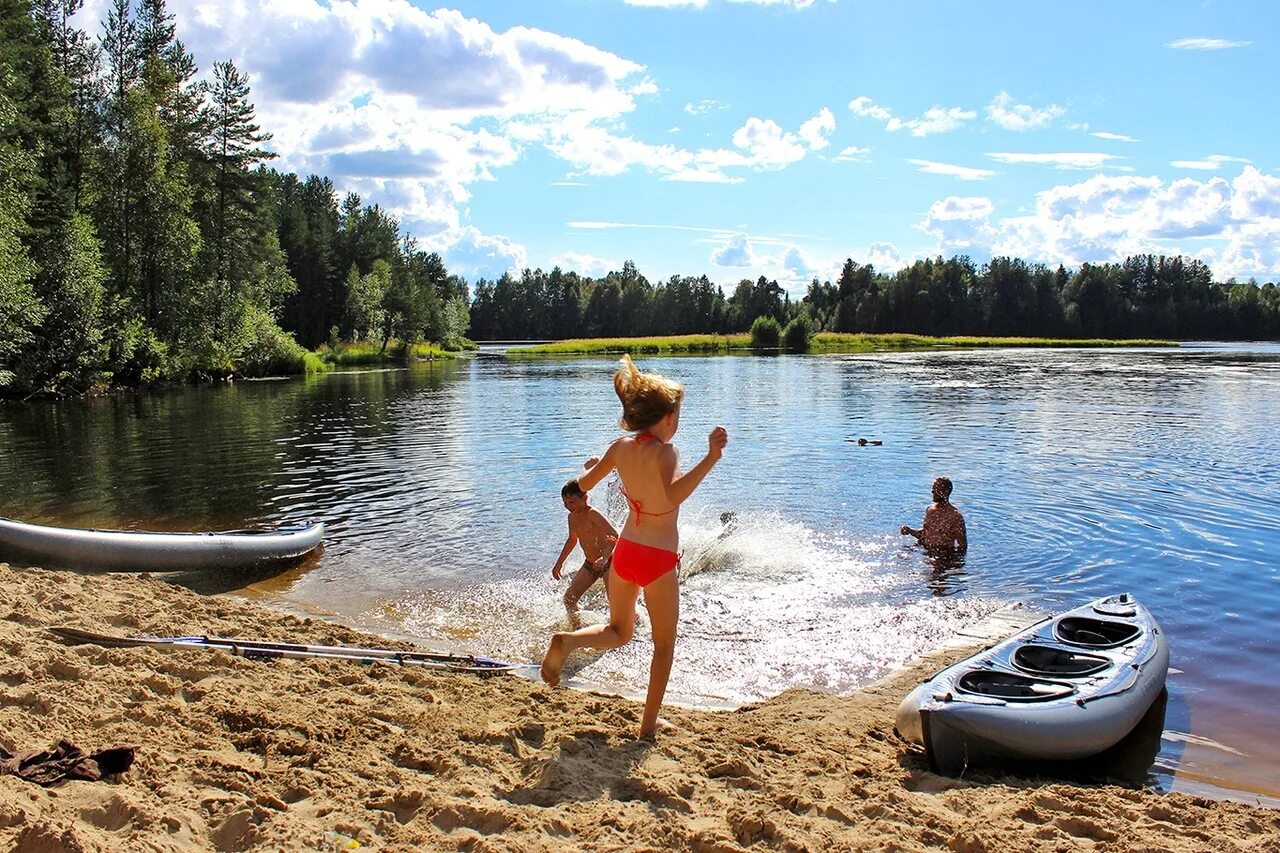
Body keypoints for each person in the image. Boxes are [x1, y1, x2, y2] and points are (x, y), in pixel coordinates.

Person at [541, 354, 728, 738]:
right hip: (657, 558)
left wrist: (594, 465)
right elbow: (672, 496)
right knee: (663, 644)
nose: (678, 422)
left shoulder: (619, 448)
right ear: (666, 419)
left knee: (619, 630)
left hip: (625, 551)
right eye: (677, 415)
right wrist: (711, 457)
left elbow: (583, 485)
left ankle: (568, 641)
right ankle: (647, 727)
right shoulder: (667, 452)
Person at [552, 479, 619, 629]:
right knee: (569, 599)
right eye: (565, 502)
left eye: (572, 502)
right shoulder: (572, 517)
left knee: (614, 603)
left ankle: (631, 625)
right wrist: (559, 564)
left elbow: (614, 534)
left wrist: (605, 557)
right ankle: (578, 629)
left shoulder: (593, 514)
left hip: (609, 562)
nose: (568, 506)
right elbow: (572, 540)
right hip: (590, 564)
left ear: (584, 498)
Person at [901, 477, 967, 552]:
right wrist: (910, 531)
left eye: (936, 489)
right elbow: (926, 534)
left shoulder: (955, 516)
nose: (932, 491)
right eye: (933, 488)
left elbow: (962, 546)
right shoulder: (930, 510)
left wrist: (955, 562)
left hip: (944, 555)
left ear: (945, 491)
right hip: (926, 551)